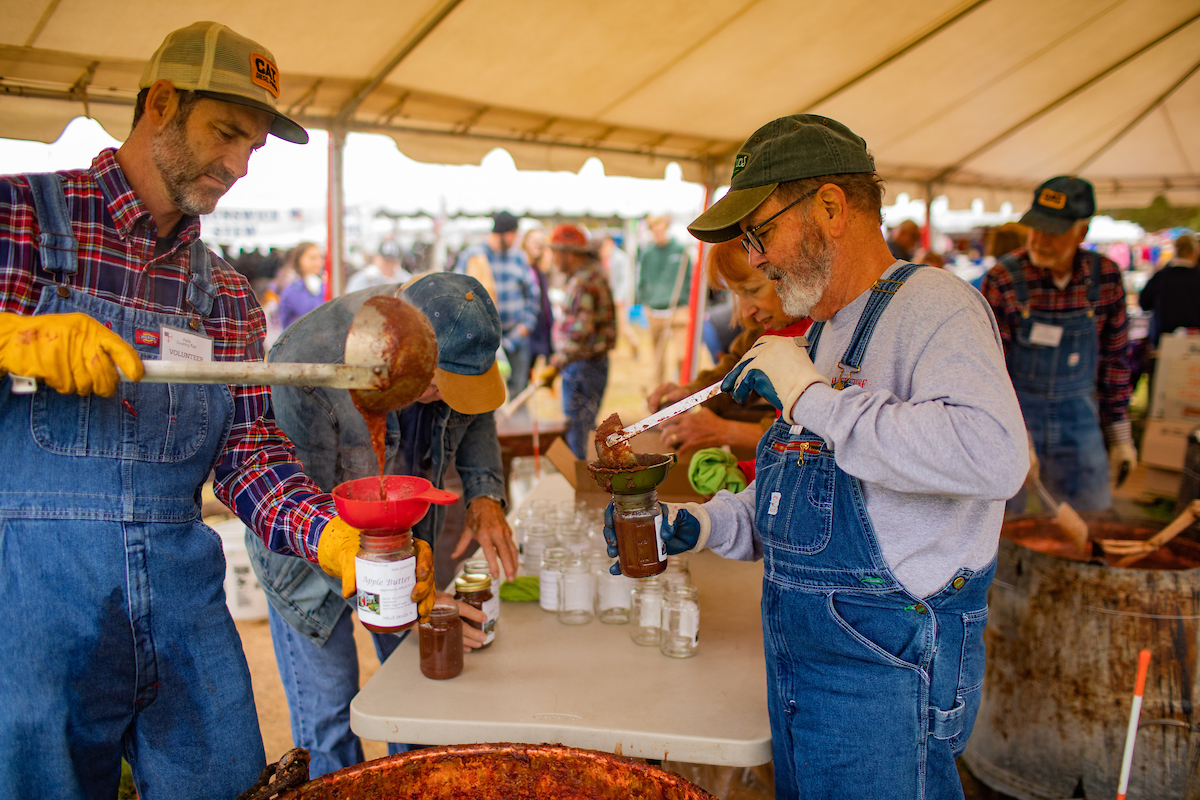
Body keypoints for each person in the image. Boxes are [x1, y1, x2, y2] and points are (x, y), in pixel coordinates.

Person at [0, 21, 422, 799]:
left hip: (183, 598)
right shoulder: (22, 218)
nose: (238, 166)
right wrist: (7, 336)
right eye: (227, 134)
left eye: (253, 149)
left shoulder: (224, 294)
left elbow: (252, 460)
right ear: (160, 102)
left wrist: (329, 535)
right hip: (36, 600)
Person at [607, 114, 1027, 799]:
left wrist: (808, 394)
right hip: (807, 664)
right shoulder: (832, 331)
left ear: (831, 208)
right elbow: (808, 499)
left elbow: (995, 455)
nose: (759, 259)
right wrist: (703, 524)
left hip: (885, 673)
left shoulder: (934, 306)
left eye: (760, 233)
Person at [245, 272, 517, 777]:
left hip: (407, 551)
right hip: (304, 563)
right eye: (439, 385)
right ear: (404, 351)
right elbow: (294, 503)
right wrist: (404, 595)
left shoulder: (451, 330)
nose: (444, 399)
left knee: (416, 711)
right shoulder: (308, 364)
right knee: (330, 720)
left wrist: (484, 492)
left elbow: (473, 412)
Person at [981, 176, 1136, 512]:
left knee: (1091, 521)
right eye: (1036, 227)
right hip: (1014, 418)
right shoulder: (1003, 279)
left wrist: (1120, 438)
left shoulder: (1106, 277)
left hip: (1080, 423)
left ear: (1082, 232)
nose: (1040, 239)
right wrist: (1016, 433)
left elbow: (1115, 364)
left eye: (1053, 231)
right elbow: (989, 371)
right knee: (1001, 529)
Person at [649, 239, 810, 454]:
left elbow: (812, 436)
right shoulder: (764, 333)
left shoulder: (827, 332)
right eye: (737, 295)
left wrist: (725, 431)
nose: (745, 312)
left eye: (753, 290)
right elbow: (733, 374)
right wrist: (689, 394)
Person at [535, 224, 616, 459]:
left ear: (568, 253)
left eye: (554, 251)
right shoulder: (591, 275)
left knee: (578, 430)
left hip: (582, 366)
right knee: (582, 426)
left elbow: (580, 332)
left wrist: (556, 364)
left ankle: (581, 485)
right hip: (589, 365)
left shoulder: (582, 282)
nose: (552, 257)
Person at [455, 211, 541, 396]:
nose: (516, 239)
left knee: (518, 389)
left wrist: (525, 326)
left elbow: (533, 295)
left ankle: (517, 425)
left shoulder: (518, 257)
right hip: (484, 341)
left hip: (516, 338)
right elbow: (455, 293)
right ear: (504, 233)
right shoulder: (473, 256)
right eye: (514, 234)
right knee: (487, 393)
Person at [636, 214, 692, 385]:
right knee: (658, 359)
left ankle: (681, 387)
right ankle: (659, 392)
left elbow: (690, 278)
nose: (657, 230)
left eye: (659, 225)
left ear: (666, 226)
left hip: (678, 309)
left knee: (681, 356)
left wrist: (688, 303)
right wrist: (645, 303)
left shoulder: (680, 250)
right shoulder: (647, 253)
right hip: (655, 311)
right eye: (653, 227)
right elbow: (642, 280)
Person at [1139, 232, 1200, 348]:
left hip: (1163, 342)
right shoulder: (1197, 277)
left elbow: (1144, 304)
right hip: (1194, 345)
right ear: (1194, 253)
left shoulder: (1160, 277)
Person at [521, 227, 555, 367]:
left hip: (541, 329)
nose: (538, 244)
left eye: (541, 241)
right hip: (526, 333)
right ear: (525, 243)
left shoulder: (540, 270)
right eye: (534, 241)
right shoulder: (521, 269)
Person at [601, 234, 639, 356]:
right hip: (610, 298)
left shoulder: (620, 257)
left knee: (623, 325)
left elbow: (625, 279)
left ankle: (635, 344)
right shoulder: (606, 258)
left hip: (619, 298)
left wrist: (620, 297)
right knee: (616, 325)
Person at [277, 240, 326, 328]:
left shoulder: (322, 285)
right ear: (299, 259)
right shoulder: (293, 289)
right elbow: (313, 316)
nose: (318, 262)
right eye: (312, 258)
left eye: (320, 258)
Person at [344, 239, 412, 294]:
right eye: (385, 260)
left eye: (392, 260)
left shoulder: (406, 279)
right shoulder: (363, 280)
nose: (389, 264)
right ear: (376, 258)